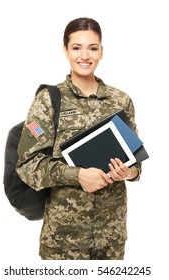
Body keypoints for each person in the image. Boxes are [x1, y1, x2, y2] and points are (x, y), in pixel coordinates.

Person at [16, 17, 142, 260]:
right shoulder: (49, 100)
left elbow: (136, 163)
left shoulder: (121, 101)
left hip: (111, 240)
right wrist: (78, 175)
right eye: (76, 47)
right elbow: (28, 164)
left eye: (92, 48)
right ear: (65, 50)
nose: (85, 55)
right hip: (63, 242)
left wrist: (129, 173)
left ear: (101, 52)